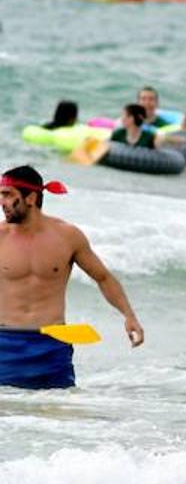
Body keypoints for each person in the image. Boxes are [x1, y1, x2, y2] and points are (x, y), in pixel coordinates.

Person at [0, 165, 144, 389]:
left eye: (8, 195)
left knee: (57, 409)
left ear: (31, 198)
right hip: (5, 345)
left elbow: (103, 277)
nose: (2, 202)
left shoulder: (67, 236)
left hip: (52, 347)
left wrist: (129, 316)